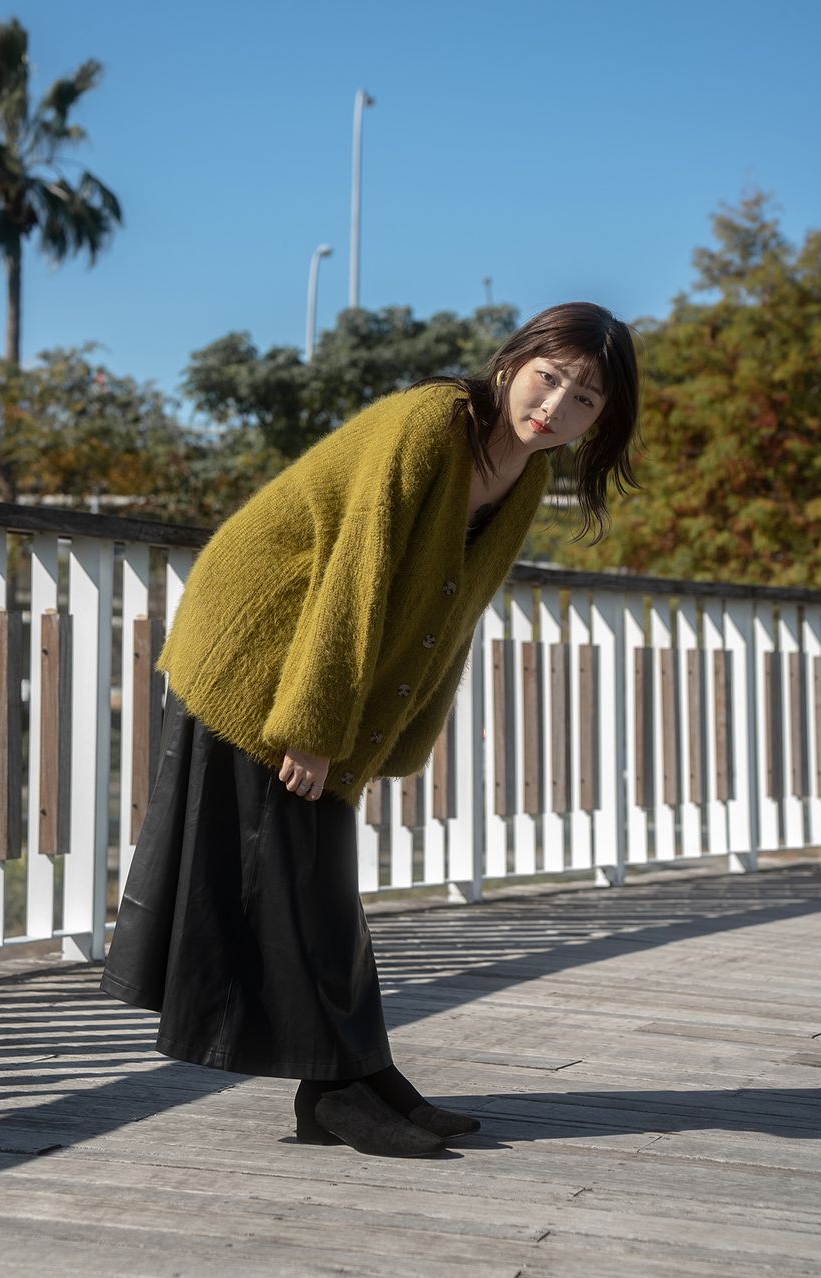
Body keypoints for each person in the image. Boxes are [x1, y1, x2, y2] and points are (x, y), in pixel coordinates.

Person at [98, 301, 642, 1158]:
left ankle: (361, 1075)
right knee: (299, 876)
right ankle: (338, 1090)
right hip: (262, 642)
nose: (555, 407)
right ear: (511, 364)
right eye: (549, 378)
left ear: (602, 418)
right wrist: (314, 727)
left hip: (315, 662)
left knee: (321, 877)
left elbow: (451, 612)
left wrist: (389, 735)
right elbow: (358, 571)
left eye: (584, 399)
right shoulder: (432, 424)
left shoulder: (526, 470)